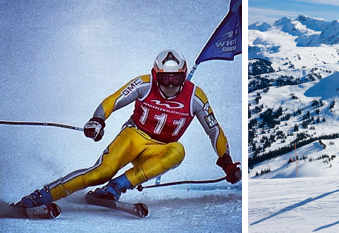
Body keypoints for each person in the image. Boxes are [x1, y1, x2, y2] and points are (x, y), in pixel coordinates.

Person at [13, 49, 241, 208]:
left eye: (176, 79)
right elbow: (114, 99)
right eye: (165, 79)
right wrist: (98, 119)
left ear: (184, 75)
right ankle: (41, 196)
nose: (170, 86)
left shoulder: (195, 97)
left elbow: (214, 130)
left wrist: (227, 161)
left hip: (158, 150)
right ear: (155, 75)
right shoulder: (144, 83)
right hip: (133, 136)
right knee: (99, 172)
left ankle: (116, 187)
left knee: (178, 151)